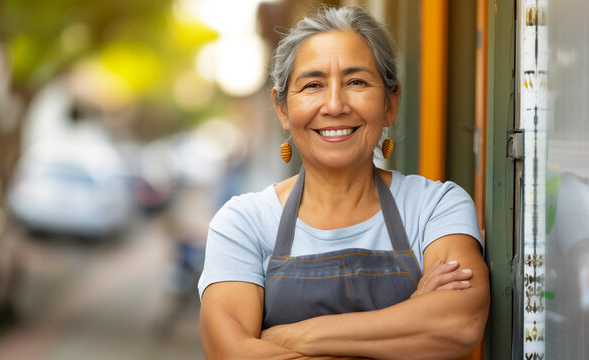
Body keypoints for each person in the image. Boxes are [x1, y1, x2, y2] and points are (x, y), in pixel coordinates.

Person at [198, 6, 489, 359]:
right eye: (313, 85)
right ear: (283, 110)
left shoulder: (435, 206)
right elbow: (228, 353)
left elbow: (459, 323)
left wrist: (289, 337)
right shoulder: (243, 222)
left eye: (356, 82)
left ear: (390, 104)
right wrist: (410, 318)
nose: (334, 105)